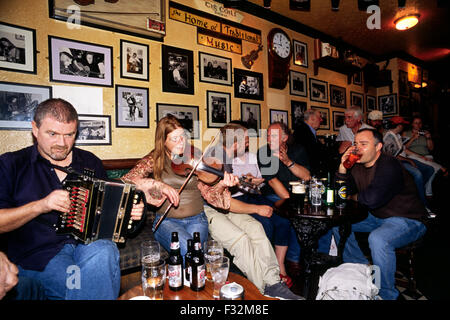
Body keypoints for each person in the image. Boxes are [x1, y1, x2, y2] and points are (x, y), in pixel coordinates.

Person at [0, 98, 145, 300]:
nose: (62, 143)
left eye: (69, 135)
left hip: (88, 245)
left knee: (106, 249)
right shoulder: (11, 164)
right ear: (35, 129)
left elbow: (108, 217)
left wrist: (128, 212)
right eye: (52, 134)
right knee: (77, 285)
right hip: (42, 255)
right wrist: (41, 206)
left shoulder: (90, 162)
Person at [202, 122, 303, 299]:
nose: (248, 144)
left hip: (226, 205)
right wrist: (257, 208)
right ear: (236, 142)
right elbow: (223, 201)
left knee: (256, 228)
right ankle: (264, 289)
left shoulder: (226, 158)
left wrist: (247, 183)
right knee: (242, 239)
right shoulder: (214, 158)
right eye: (246, 140)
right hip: (213, 209)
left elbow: (229, 198)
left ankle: (274, 281)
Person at [121, 114, 238, 259]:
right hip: (166, 221)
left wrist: (221, 184)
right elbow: (127, 180)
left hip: (197, 219)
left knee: (195, 255)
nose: (181, 142)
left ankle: (187, 280)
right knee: (189, 249)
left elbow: (209, 192)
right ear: (163, 141)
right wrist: (160, 186)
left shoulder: (194, 156)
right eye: (174, 138)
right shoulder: (154, 160)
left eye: (183, 136)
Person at [332, 128, 427, 300]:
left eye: (363, 144)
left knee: (378, 239)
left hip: (408, 218)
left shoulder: (389, 164)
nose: (357, 148)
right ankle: (360, 269)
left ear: (378, 147)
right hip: (378, 216)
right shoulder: (357, 165)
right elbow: (342, 195)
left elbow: (371, 199)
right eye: (355, 144)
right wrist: (342, 167)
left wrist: (353, 196)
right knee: (337, 222)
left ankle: (387, 295)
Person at [382, 116, 434, 215]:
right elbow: (393, 157)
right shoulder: (389, 137)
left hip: (405, 159)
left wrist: (419, 157)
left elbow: (404, 150)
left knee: (430, 169)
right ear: (399, 125)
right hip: (398, 162)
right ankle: (423, 205)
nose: (404, 126)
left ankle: (416, 190)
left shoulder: (397, 135)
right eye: (403, 124)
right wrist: (409, 160)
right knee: (418, 174)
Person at [402, 116, 447, 198]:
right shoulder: (406, 133)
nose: (418, 125)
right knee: (434, 168)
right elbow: (403, 148)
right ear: (412, 124)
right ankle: (428, 192)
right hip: (414, 156)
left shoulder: (425, 133)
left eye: (420, 123)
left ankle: (424, 189)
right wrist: (412, 138)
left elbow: (431, 148)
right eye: (416, 123)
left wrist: (429, 138)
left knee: (432, 169)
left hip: (427, 156)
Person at [292, 109, 327, 176]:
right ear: (312, 118)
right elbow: (313, 155)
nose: (321, 120)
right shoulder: (302, 132)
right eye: (319, 117)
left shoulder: (303, 129)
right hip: (306, 172)